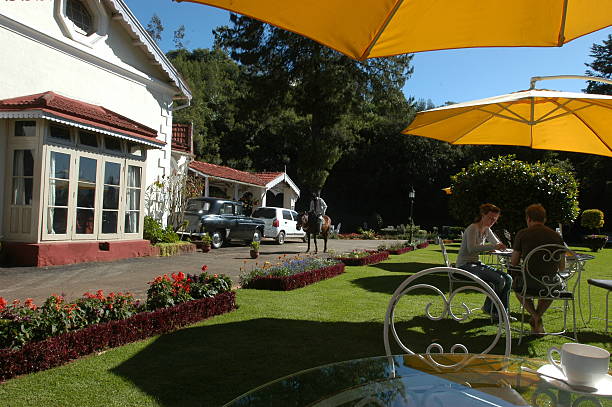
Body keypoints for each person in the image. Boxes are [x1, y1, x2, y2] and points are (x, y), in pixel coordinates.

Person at [510, 204, 565, 334]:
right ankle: (537, 317)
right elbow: (562, 267)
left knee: (518, 289)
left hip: (529, 283)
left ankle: (535, 316)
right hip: (551, 284)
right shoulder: (556, 236)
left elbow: (514, 262)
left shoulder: (523, 234)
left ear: (528, 219)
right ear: (544, 219)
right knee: (551, 289)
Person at [456, 203, 513, 319]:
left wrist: (501, 247)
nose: (492, 221)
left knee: (508, 278)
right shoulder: (473, 228)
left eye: (495, 219)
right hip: (464, 265)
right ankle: (491, 309)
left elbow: (496, 243)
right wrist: (493, 247)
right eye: (490, 218)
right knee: (499, 280)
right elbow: (471, 248)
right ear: (483, 215)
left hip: (476, 264)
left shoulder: (487, 229)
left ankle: (503, 313)